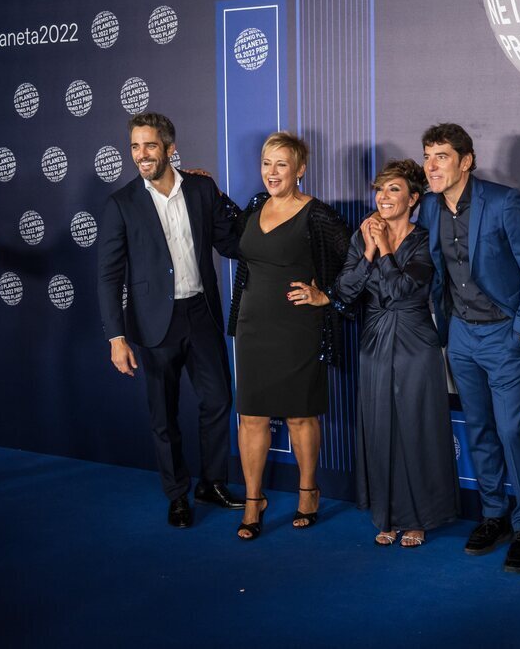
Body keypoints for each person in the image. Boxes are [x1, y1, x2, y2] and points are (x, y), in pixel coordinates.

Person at [418, 123, 520, 573]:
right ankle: (494, 514)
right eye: (427, 156)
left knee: (512, 431)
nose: (432, 165)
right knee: (477, 429)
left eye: (441, 156)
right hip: (459, 334)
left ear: (466, 160)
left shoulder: (504, 202)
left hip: (503, 333)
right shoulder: (428, 208)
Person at [98, 111, 245, 528]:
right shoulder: (121, 204)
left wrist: (272, 219)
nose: (141, 155)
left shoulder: (199, 188)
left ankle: (212, 483)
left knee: (218, 400)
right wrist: (116, 338)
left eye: (149, 146)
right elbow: (108, 276)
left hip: (199, 312)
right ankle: (177, 494)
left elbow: (231, 242)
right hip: (153, 321)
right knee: (164, 415)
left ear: (169, 147)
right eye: (134, 147)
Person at [226, 131, 350, 540]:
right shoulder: (256, 205)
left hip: (298, 327)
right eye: (266, 164)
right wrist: (198, 185)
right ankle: (253, 499)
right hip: (252, 325)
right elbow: (229, 238)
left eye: (282, 164)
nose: (272, 172)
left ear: (301, 169)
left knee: (300, 414)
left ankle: (308, 491)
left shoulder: (317, 215)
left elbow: (353, 259)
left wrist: (326, 296)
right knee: (252, 416)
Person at [335, 159, 459, 548]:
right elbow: (345, 291)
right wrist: (370, 251)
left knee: (416, 428)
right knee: (380, 427)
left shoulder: (425, 240)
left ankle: (419, 516)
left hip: (416, 340)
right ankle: (386, 514)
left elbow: (404, 291)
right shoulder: (363, 237)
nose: (383, 197)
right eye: (380, 189)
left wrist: (386, 249)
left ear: (413, 198)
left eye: (394, 190)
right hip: (373, 341)